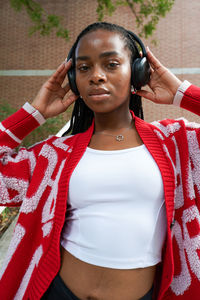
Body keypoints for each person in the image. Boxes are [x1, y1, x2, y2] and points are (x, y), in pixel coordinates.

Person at [0, 21, 200, 300]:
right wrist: (34, 113)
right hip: (57, 291)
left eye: (112, 64)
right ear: (74, 81)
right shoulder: (55, 154)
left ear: (137, 73)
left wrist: (182, 93)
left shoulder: (178, 143)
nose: (96, 76)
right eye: (84, 68)